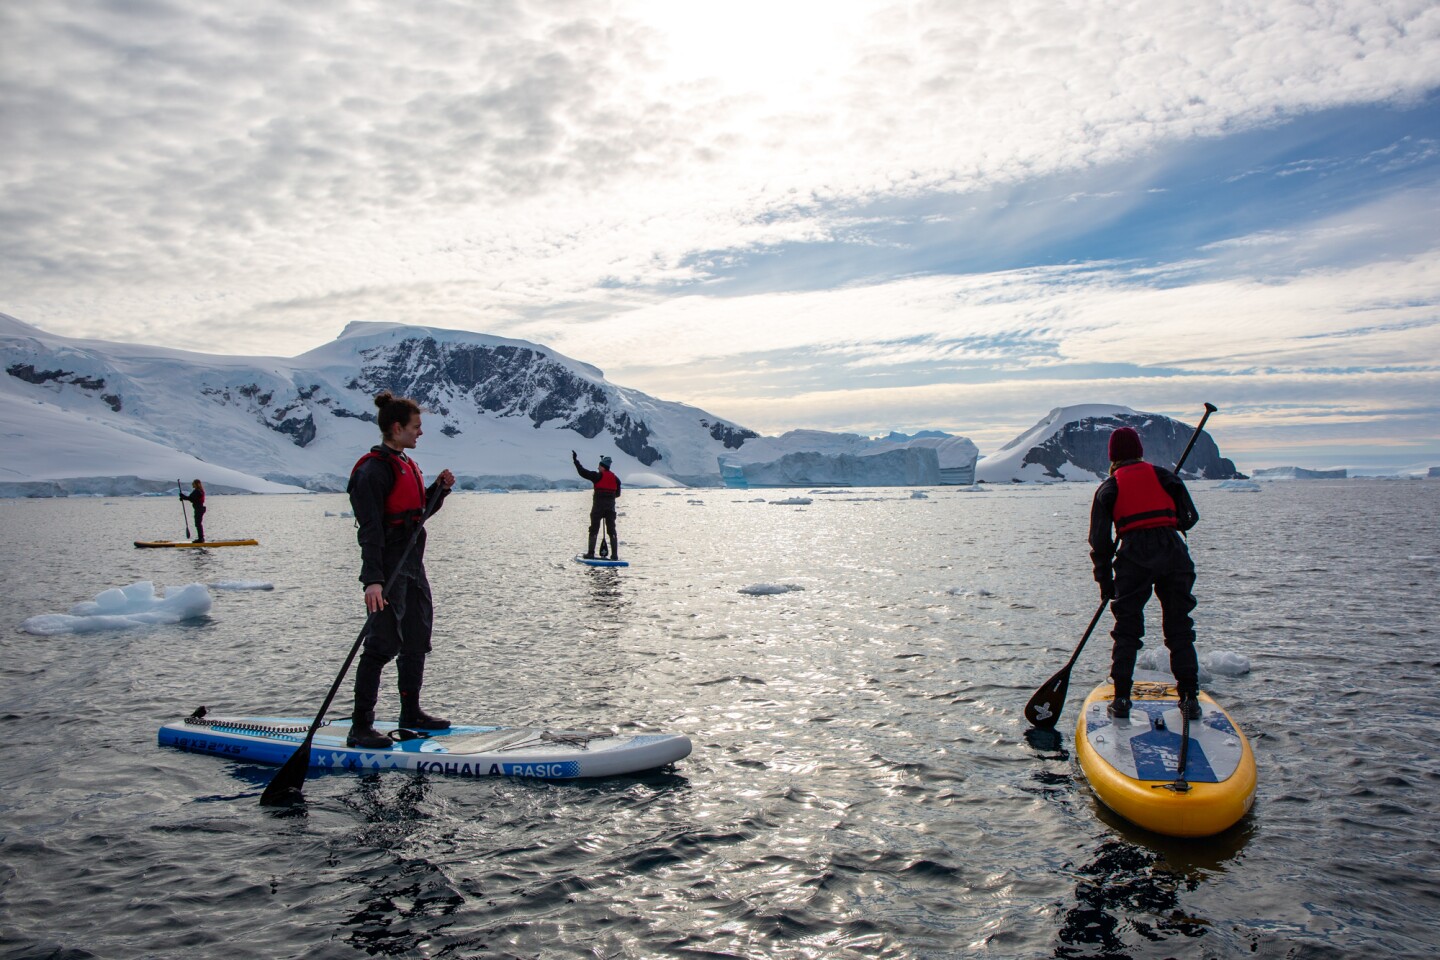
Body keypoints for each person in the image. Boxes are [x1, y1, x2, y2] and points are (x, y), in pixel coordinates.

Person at [346, 390, 456, 749]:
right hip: (388, 569)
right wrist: (373, 581)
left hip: (411, 565)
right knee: (381, 644)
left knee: (416, 637)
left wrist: (438, 491)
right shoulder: (372, 471)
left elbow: (418, 513)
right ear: (397, 428)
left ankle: (410, 712)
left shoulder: (405, 463)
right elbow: (371, 531)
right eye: (415, 427)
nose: (420, 433)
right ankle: (361, 726)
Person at [1089, 426, 1202, 721]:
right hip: (1173, 554)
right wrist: (1165, 518)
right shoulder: (1165, 477)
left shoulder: (1109, 487)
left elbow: (1099, 542)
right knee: (1179, 628)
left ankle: (1123, 699)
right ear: (1139, 451)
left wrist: (1105, 582)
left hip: (1134, 557)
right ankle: (1189, 698)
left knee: (1127, 630)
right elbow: (1189, 518)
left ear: (1113, 456)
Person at [572, 450, 621, 560]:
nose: (598, 468)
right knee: (612, 530)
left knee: (594, 529)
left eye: (599, 467)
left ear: (603, 467)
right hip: (610, 508)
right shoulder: (616, 479)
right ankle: (614, 555)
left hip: (598, 508)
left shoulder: (597, 476)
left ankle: (590, 553)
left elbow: (582, 472)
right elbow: (617, 494)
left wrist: (576, 461)